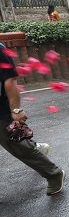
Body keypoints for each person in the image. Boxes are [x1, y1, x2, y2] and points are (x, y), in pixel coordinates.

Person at [0, 43, 65, 195]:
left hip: (1, 111)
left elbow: (10, 81)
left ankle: (54, 174)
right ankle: (37, 147)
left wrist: (15, 110)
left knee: (16, 145)